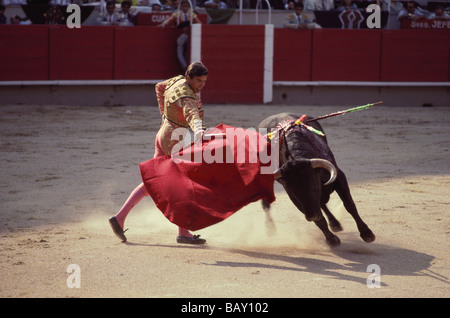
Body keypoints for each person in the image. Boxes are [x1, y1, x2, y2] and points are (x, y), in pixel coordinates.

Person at [109, 62, 209, 245]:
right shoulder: (187, 96)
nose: (201, 85)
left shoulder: (176, 81)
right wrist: (199, 130)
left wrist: (164, 115)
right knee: (183, 184)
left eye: (204, 81)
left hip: (163, 134)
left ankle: (120, 217)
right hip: (175, 140)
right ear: (189, 78)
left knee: (152, 182)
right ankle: (183, 232)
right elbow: (192, 114)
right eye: (198, 81)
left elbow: (159, 87)